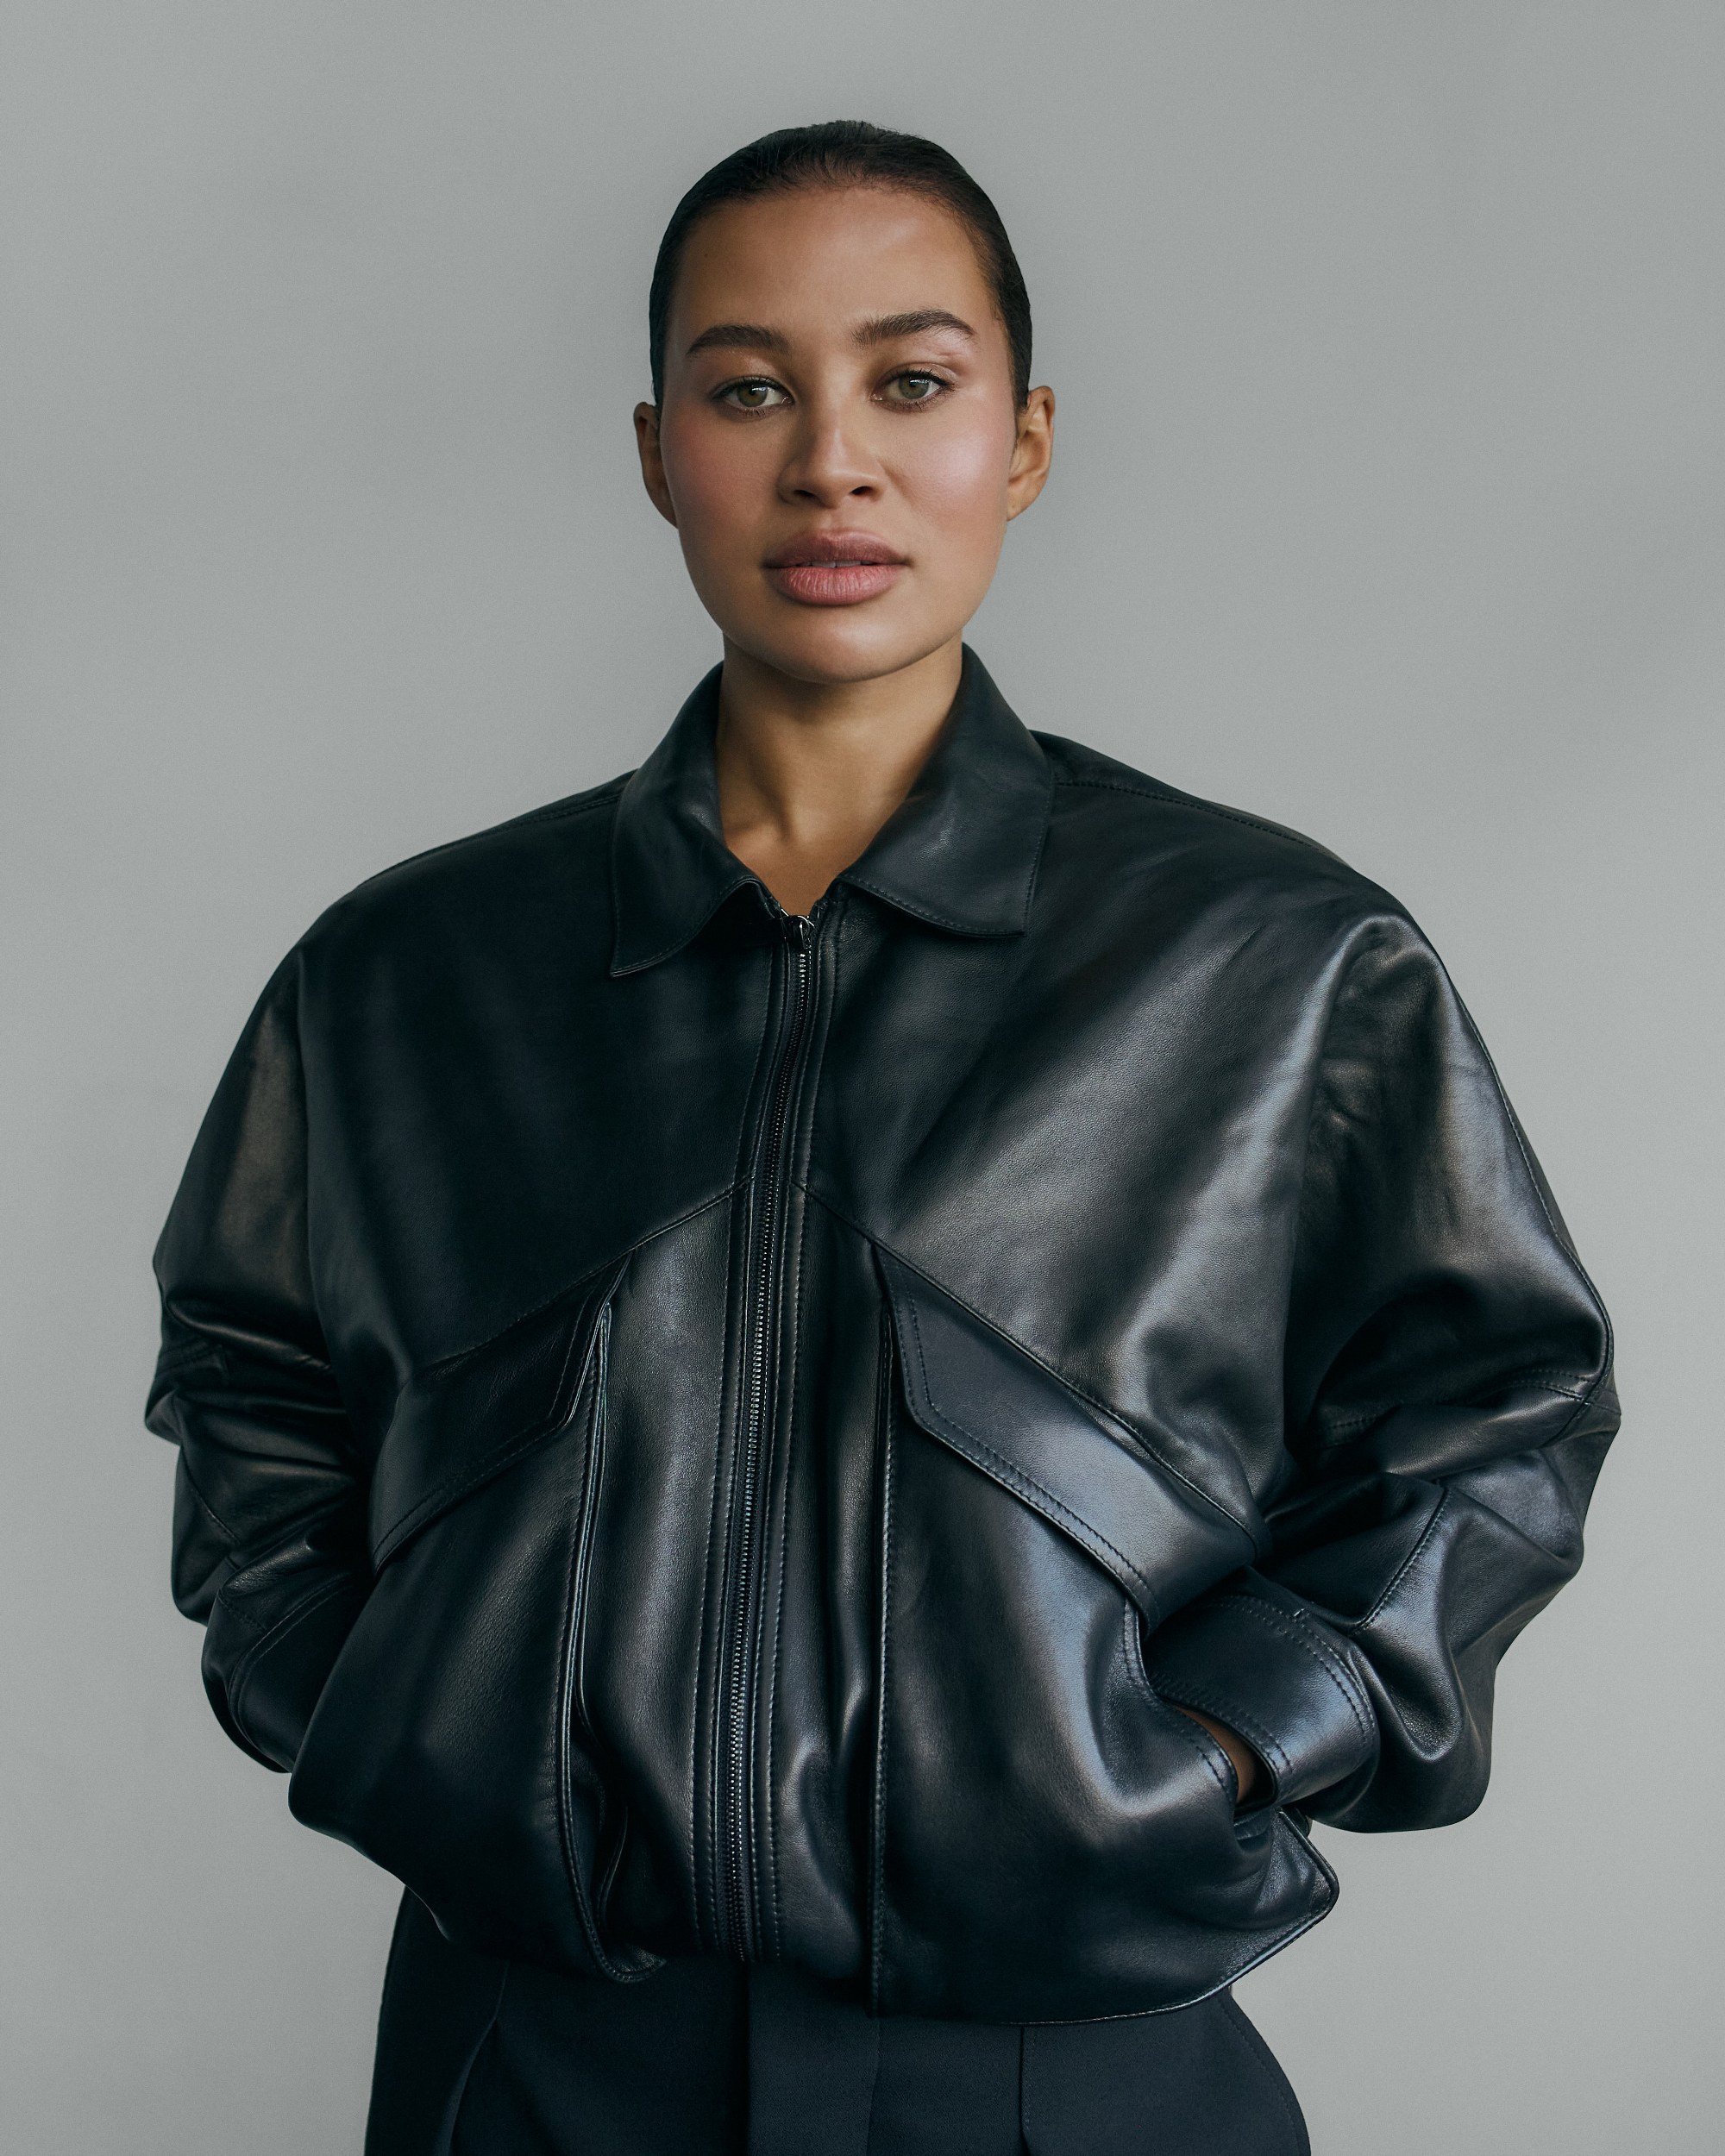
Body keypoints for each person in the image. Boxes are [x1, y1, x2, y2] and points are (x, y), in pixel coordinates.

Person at [145, 122, 1619, 2155]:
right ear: (659, 448)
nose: (828, 460)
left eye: (908, 384)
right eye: (751, 388)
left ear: (1016, 442)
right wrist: (403, 1717)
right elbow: (249, 1383)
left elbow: (1496, 1412)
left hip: (1072, 2058)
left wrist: (1209, 1746)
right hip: (541, 2057)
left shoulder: (1274, 961)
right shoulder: (409, 974)